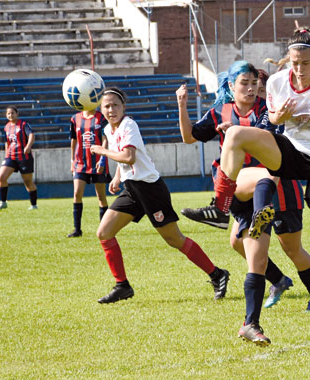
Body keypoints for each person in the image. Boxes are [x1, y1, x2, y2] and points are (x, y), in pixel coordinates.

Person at [210, 27, 310, 346]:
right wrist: (278, 117)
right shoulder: (276, 82)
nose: (298, 69)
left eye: (304, 63)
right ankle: (220, 207)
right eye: (294, 62)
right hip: (291, 153)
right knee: (234, 135)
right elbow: (272, 121)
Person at [176, 63, 310, 313]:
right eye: (244, 83)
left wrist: (237, 131)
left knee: (291, 248)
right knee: (238, 242)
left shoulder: (269, 110)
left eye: (253, 83)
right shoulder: (220, 112)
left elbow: (275, 142)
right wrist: (182, 106)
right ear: (231, 86)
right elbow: (189, 137)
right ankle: (278, 280)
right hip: (246, 192)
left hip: (280, 188)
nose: (250, 88)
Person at [88, 87, 230, 304]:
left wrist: (102, 152)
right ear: (101, 109)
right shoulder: (109, 129)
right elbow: (124, 159)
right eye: (106, 106)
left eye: (115, 105)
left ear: (123, 107)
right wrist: (117, 177)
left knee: (175, 239)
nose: (111, 109)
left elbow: (128, 156)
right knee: (104, 232)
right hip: (132, 189)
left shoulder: (129, 125)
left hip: (150, 190)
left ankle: (217, 274)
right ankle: (122, 286)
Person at [67, 108, 111, 237]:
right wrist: (72, 160)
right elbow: (73, 140)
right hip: (80, 163)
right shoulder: (75, 118)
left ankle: (105, 229)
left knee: (101, 197)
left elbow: (105, 139)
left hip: (98, 163)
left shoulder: (101, 118)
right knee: (77, 193)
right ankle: (77, 230)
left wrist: (102, 159)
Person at [0, 106, 38, 210]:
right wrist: (6, 154)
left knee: (28, 182)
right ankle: (3, 202)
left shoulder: (23, 124)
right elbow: (7, 142)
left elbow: (31, 135)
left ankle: (33, 205)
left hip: (24, 157)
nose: (10, 115)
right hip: (11, 157)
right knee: (1, 177)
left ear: (17, 113)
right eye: (8, 113)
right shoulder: (7, 127)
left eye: (12, 113)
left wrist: (28, 146)